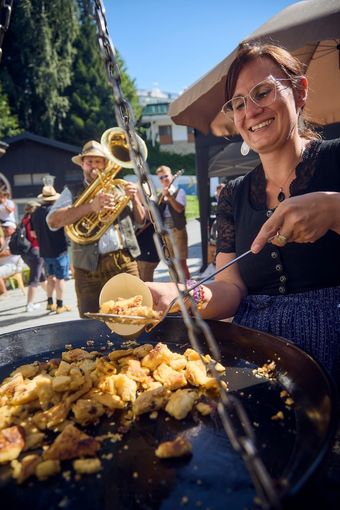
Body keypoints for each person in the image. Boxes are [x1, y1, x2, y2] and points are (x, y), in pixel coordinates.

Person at [146, 43, 340, 387]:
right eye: (238, 103)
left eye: (262, 92)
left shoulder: (336, 159)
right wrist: (180, 297)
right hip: (258, 360)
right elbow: (230, 288)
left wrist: (334, 210)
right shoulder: (234, 195)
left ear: (299, 91)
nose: (250, 110)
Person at [47, 140, 145, 317]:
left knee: (134, 314)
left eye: (98, 161)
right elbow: (53, 221)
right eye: (89, 162)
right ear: (82, 165)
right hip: (87, 268)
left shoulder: (120, 187)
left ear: (106, 163)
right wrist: (91, 207)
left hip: (123, 261)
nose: (93, 166)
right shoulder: (72, 190)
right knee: (90, 319)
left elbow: (141, 220)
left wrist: (135, 199)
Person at [31, 184, 71, 314]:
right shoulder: (55, 212)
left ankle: (50, 303)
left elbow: (33, 233)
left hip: (45, 251)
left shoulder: (35, 213)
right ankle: (60, 305)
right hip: (59, 250)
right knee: (60, 279)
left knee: (50, 277)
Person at [156, 165, 190, 279]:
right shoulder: (160, 196)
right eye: (161, 178)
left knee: (181, 263)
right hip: (166, 233)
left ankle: (190, 290)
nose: (164, 179)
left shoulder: (180, 192)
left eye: (166, 176)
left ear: (171, 176)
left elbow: (179, 209)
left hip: (178, 231)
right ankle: (176, 290)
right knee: (170, 264)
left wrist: (169, 197)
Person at [20, 201, 47, 312]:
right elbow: (33, 234)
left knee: (41, 276)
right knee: (34, 278)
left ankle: (51, 296)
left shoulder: (23, 220)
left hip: (26, 253)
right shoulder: (33, 220)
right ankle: (29, 304)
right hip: (36, 251)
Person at [0, 220, 24, 295]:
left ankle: (4, 292)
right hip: (5, 265)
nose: (4, 229)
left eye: (6, 227)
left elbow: (8, 252)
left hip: (12, 266)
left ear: (13, 228)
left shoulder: (16, 239)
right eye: (3, 227)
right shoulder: (8, 238)